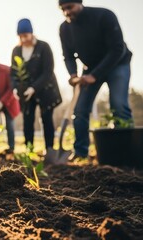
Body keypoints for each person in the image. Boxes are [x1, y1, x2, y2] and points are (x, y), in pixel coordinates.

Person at [58, 0, 133, 161]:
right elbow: (68, 56)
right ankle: (80, 152)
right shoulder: (65, 28)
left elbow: (117, 48)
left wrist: (95, 75)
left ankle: (127, 151)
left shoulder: (104, 16)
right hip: (90, 68)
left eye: (69, 7)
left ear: (79, 3)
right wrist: (73, 75)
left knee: (119, 105)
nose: (66, 12)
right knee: (79, 110)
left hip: (118, 63)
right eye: (63, 9)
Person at [11, 19, 62, 150]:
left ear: (32, 33)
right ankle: (29, 149)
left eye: (26, 35)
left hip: (45, 89)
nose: (24, 38)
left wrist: (33, 88)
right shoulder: (17, 51)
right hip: (26, 92)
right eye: (21, 36)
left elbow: (48, 71)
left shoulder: (43, 47)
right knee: (27, 120)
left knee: (46, 119)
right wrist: (16, 89)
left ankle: (49, 149)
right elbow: (14, 73)